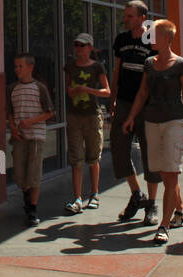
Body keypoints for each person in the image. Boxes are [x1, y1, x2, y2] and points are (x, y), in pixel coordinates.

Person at [122, 20, 183, 244]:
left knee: (171, 172)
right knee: (163, 173)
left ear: (166, 37)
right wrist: (130, 117)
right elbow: (142, 94)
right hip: (151, 121)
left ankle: (164, 225)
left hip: (175, 121)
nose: (151, 38)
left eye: (154, 34)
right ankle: (181, 209)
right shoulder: (149, 63)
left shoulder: (181, 65)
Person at [110, 1, 161, 225]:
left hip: (148, 105)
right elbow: (116, 70)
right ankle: (136, 194)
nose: (126, 19)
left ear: (143, 17)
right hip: (123, 103)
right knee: (119, 147)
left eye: (130, 15)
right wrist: (112, 99)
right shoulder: (121, 39)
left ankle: (151, 204)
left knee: (150, 154)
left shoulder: (153, 40)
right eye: (125, 15)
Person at [63, 33, 110, 214]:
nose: (79, 48)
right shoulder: (70, 66)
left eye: (82, 45)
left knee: (93, 156)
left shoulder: (98, 67)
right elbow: (67, 87)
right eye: (76, 45)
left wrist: (88, 90)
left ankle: (95, 193)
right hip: (74, 115)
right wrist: (72, 91)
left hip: (92, 115)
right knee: (76, 159)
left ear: (90, 47)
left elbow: (107, 91)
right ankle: (77, 197)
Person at [7, 53, 55, 226]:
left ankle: (32, 208)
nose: (17, 69)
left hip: (36, 136)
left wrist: (31, 121)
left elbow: (50, 112)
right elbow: (10, 111)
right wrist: (13, 127)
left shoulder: (40, 88)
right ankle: (27, 197)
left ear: (30, 67)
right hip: (20, 137)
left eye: (20, 66)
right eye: (16, 66)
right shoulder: (12, 88)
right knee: (20, 174)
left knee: (33, 173)